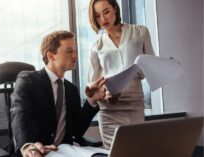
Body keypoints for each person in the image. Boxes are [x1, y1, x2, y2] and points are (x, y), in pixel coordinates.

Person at [10, 30, 107, 157]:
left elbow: (77, 131)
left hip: (64, 150)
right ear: (51, 56)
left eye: (75, 50)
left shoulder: (71, 89)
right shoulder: (28, 80)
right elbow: (20, 114)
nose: (75, 55)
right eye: (69, 51)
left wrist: (92, 101)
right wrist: (28, 146)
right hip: (38, 151)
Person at [88, 0, 155, 150]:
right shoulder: (95, 46)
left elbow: (150, 66)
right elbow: (93, 82)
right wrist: (102, 94)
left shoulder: (140, 32)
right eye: (97, 16)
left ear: (115, 9)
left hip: (134, 104)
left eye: (106, 12)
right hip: (109, 110)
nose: (103, 19)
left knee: (137, 150)